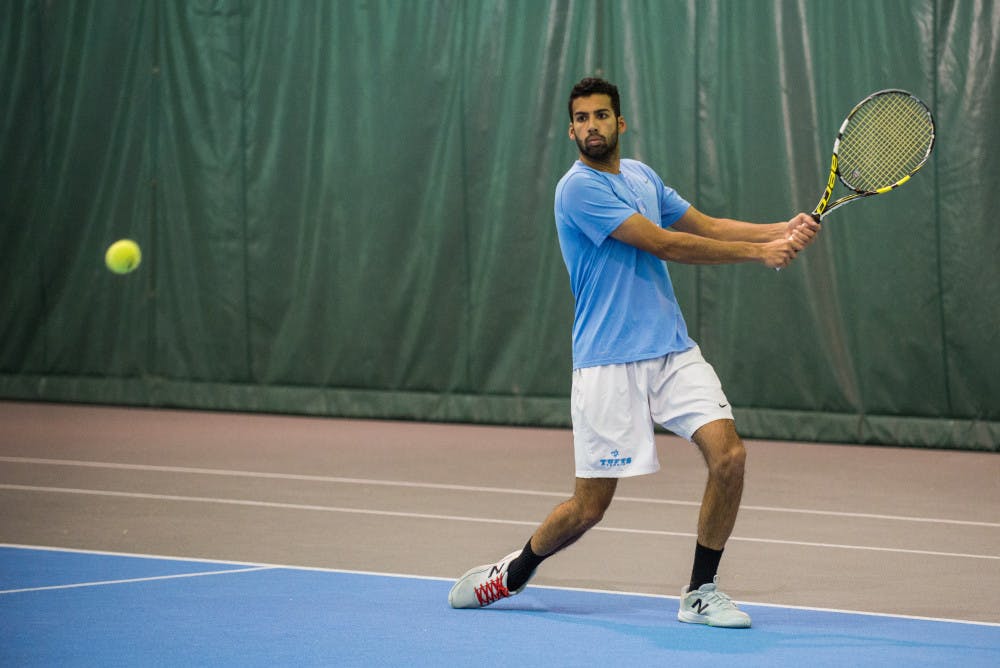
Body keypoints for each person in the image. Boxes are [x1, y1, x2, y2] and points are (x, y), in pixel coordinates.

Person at [448, 77, 820, 628]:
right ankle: (516, 571)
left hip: (671, 350)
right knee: (588, 508)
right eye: (581, 118)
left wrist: (780, 228)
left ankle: (700, 591)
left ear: (619, 123)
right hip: (606, 363)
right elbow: (664, 243)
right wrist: (759, 252)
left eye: (601, 116)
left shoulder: (642, 176)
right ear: (570, 128)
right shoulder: (577, 190)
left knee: (730, 457)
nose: (591, 126)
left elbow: (705, 225)